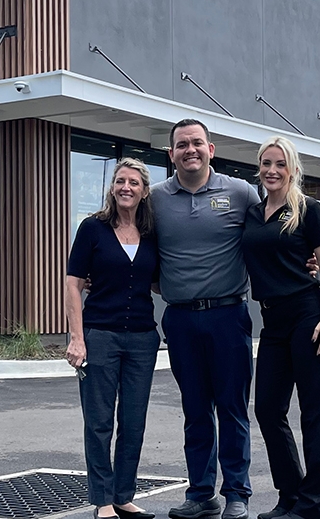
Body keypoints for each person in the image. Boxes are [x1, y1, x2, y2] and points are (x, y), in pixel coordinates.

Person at [151, 119, 261, 519]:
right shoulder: (155, 199)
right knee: (195, 410)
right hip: (180, 320)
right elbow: (134, 244)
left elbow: (271, 233)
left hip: (229, 316)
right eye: (182, 144)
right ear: (171, 154)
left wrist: (308, 261)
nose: (190, 150)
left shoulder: (241, 192)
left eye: (197, 142)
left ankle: (236, 493)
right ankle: (201, 494)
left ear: (211, 149)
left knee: (232, 408)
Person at [241, 136, 320, 519]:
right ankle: (292, 495)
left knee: (315, 413)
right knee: (267, 408)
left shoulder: (308, 209)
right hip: (272, 321)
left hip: (307, 315)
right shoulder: (253, 212)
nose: (272, 170)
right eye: (266, 163)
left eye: (280, 164)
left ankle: (317, 505)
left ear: (293, 169)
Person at [65, 158, 161, 519]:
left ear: (144, 191)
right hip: (100, 335)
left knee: (133, 422)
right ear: (112, 188)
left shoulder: (152, 234)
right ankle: (102, 500)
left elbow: (156, 281)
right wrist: (77, 338)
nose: (126, 187)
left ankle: (123, 495)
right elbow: (73, 285)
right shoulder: (93, 228)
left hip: (142, 338)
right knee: (99, 421)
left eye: (133, 183)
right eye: (120, 181)